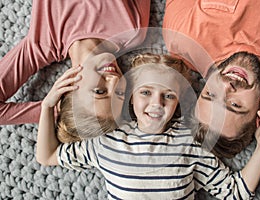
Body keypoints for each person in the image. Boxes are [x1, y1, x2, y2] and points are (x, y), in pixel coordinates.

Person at [36, 53, 260, 199]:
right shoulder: (105, 142)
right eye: (146, 92)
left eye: (168, 96)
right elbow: (46, 156)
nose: (156, 104)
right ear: (130, 96)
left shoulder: (190, 142)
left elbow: (236, 192)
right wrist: (47, 106)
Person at [162, 0, 260, 157]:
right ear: (258, 113)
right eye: (235, 104)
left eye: (211, 94)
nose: (227, 86)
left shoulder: (183, 39)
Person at [0, 0, 150, 142]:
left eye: (99, 91)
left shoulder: (44, 44)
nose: (115, 80)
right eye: (120, 93)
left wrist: (50, 108)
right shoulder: (133, 32)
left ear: (67, 89)